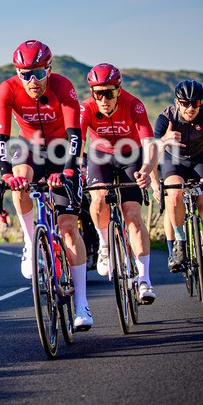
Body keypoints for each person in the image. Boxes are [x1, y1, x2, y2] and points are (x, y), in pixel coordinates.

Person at [0, 39, 92, 330]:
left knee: (68, 228)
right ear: (17, 72)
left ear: (49, 69)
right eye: (25, 74)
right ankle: (28, 240)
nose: (32, 80)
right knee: (19, 177)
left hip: (63, 150)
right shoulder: (7, 89)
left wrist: (68, 171)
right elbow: (1, 137)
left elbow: (76, 135)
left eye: (38, 73)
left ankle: (82, 304)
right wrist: (5, 174)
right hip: (31, 148)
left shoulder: (62, 87)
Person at [79, 63, 158, 304]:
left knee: (132, 213)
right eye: (98, 93)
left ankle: (144, 279)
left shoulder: (133, 104)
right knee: (99, 197)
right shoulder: (87, 108)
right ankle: (105, 244)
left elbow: (151, 144)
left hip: (130, 156)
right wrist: (75, 168)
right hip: (100, 155)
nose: (103, 98)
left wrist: (147, 169)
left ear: (119, 90)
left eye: (109, 92)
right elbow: (77, 141)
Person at [150, 79, 203, 286]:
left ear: (200, 103)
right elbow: (152, 155)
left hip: (199, 160)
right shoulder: (165, 118)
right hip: (172, 160)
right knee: (174, 194)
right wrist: (155, 184)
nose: (190, 108)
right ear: (177, 102)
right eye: (185, 103)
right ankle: (180, 242)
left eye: (195, 103)